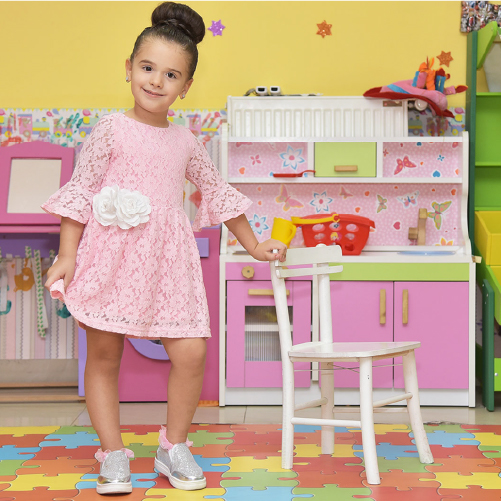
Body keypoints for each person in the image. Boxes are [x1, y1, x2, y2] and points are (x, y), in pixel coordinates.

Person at [42, 2, 287, 495]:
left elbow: (217, 192)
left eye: (170, 74)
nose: (156, 81)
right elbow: (81, 193)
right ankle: (113, 454)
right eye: (147, 68)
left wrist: (254, 243)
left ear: (186, 86)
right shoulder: (110, 129)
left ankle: (173, 446)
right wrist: (68, 254)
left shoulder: (186, 141)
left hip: (168, 262)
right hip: (112, 256)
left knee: (192, 351)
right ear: (129, 68)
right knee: (104, 353)